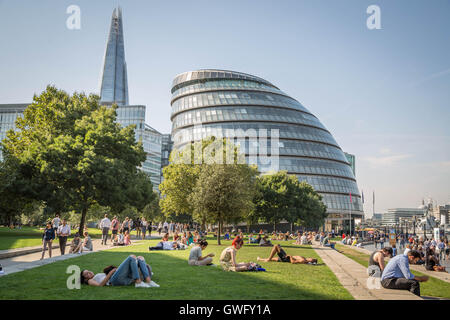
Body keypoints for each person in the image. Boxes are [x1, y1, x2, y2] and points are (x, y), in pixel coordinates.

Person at [80, 255, 159, 288]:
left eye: (88, 271)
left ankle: (149, 281)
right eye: (86, 274)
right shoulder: (90, 281)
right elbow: (100, 285)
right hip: (113, 281)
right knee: (131, 257)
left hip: (122, 278)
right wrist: (111, 272)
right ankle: (138, 282)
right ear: (85, 279)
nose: (89, 273)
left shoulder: (97, 275)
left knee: (140, 257)